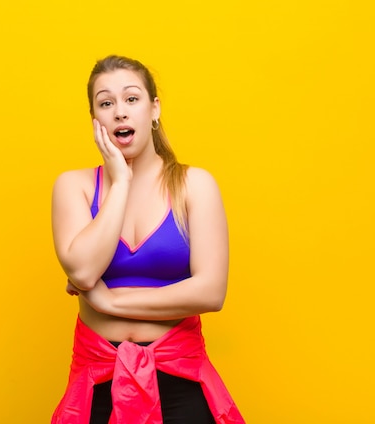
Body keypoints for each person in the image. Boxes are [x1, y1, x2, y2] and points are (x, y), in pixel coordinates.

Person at [51, 55, 245, 424]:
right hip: (98, 381)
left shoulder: (194, 186)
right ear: (95, 120)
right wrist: (120, 181)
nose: (120, 112)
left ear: (154, 109)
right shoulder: (72, 187)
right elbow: (84, 272)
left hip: (181, 378)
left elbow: (210, 292)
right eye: (106, 103)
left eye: (132, 99)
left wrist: (110, 302)